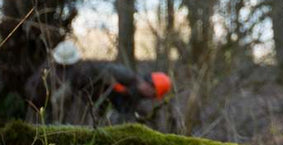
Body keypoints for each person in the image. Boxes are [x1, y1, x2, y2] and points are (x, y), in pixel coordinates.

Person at [26, 40, 173, 125]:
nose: (150, 95)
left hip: (90, 105)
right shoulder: (125, 75)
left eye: (153, 95)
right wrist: (110, 84)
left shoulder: (135, 98)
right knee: (55, 106)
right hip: (78, 89)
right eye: (152, 91)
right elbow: (102, 71)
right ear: (149, 85)